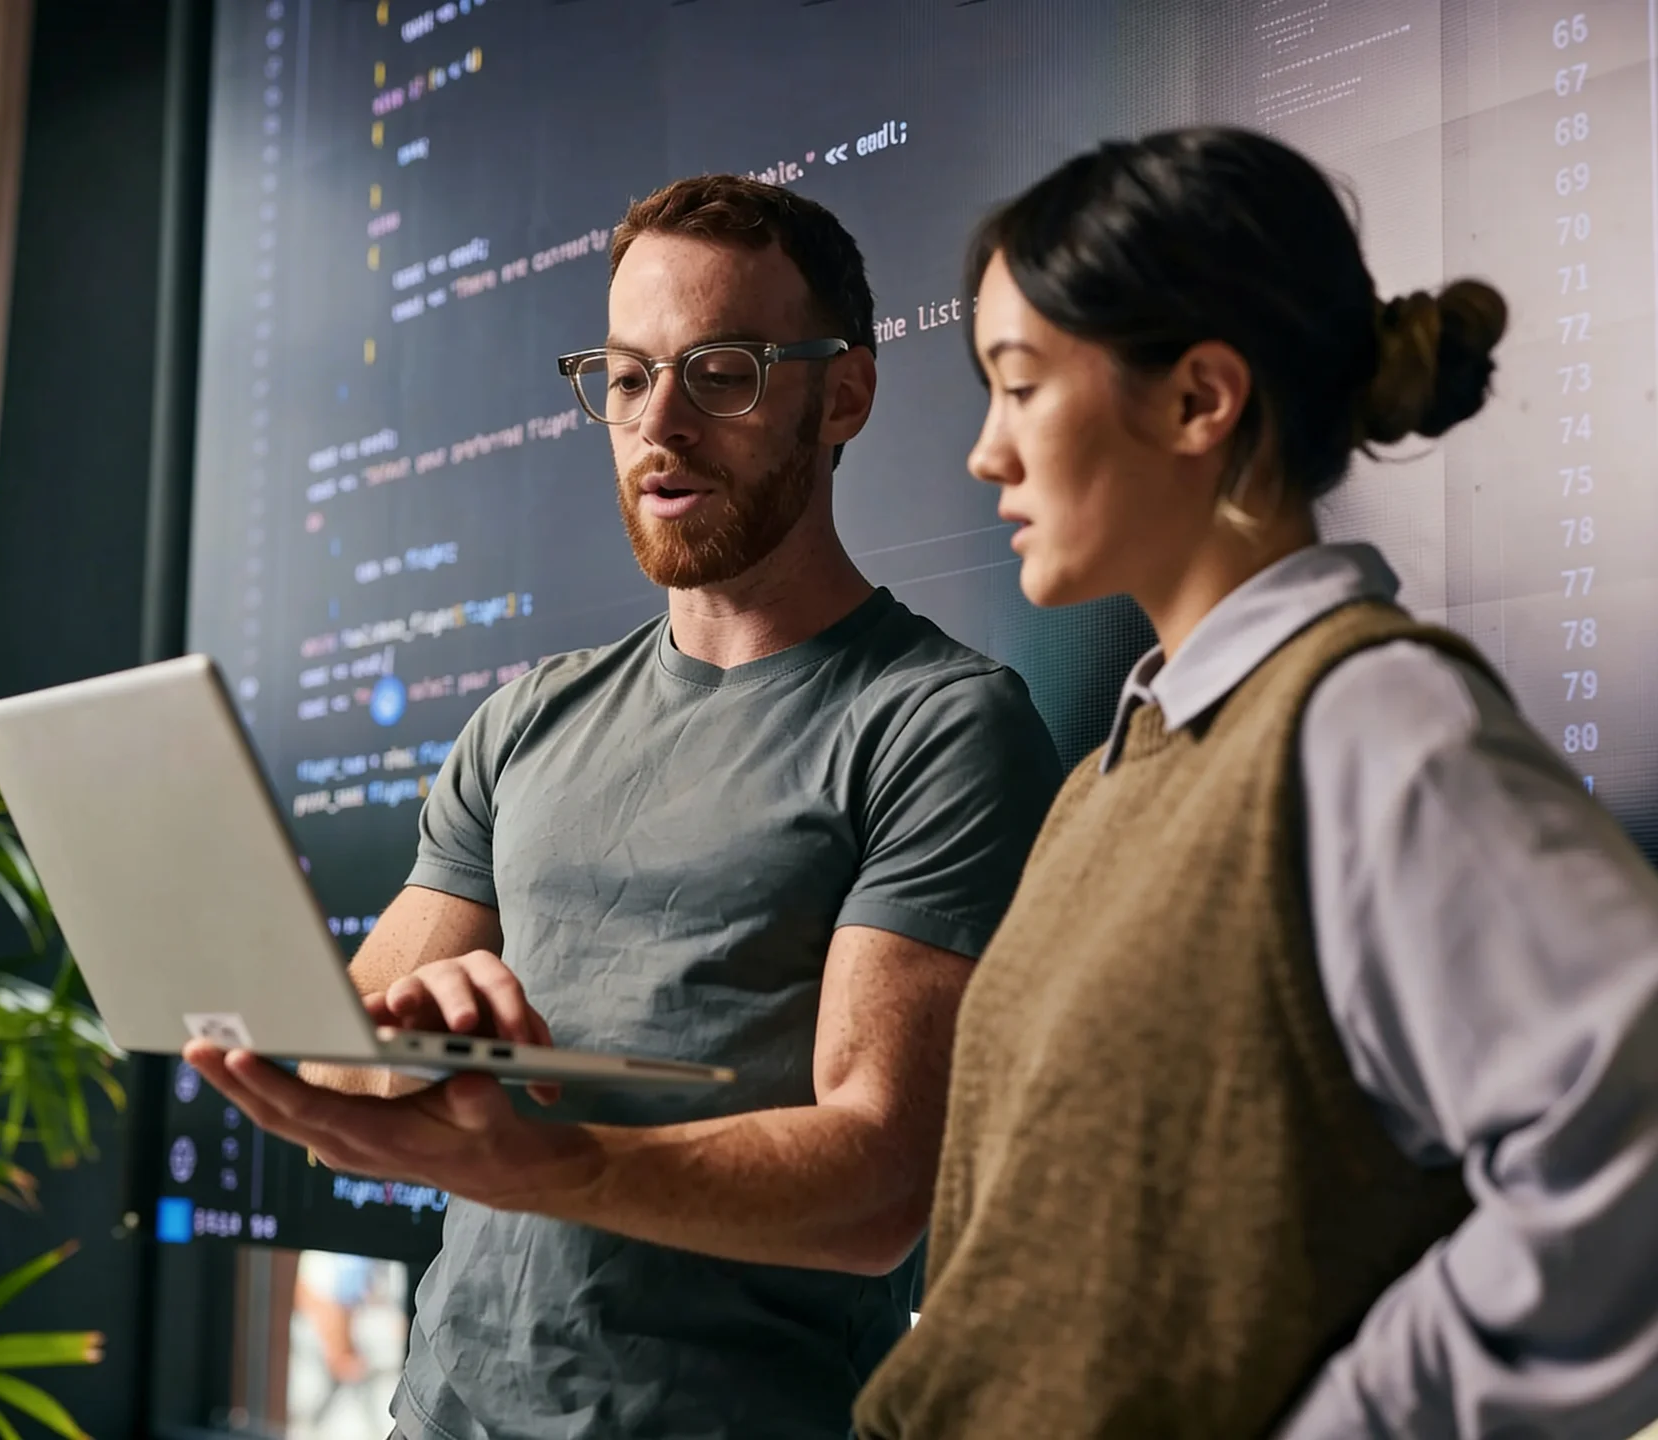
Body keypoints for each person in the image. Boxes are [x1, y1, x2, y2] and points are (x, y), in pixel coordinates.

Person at [185, 173, 1064, 1440]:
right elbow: (343, 1068)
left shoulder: (938, 723)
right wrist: (402, 1038)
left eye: (724, 372)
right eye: (628, 374)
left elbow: (878, 1187)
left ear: (846, 395)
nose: (662, 424)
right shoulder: (527, 719)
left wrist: (561, 1162)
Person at [850, 124, 1658, 1440]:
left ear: (1196, 399)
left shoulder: (1375, 727)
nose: (984, 456)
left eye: (1019, 385)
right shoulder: (1116, 777)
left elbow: (1635, 1146)